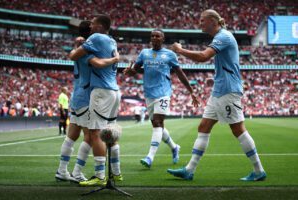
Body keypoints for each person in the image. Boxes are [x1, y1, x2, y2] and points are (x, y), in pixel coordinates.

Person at [167, 9, 266, 181]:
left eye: (202, 20)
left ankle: (258, 171)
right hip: (219, 91)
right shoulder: (220, 37)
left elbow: (203, 57)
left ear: (214, 20)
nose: (200, 23)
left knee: (238, 129)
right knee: (203, 127)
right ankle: (189, 170)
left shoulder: (223, 36)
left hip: (228, 90)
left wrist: (181, 50)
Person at [56, 20, 120, 183]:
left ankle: (62, 170)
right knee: (89, 136)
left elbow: (72, 55)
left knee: (71, 136)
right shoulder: (88, 52)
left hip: (76, 94)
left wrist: (77, 45)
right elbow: (98, 64)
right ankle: (78, 172)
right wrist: (115, 59)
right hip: (86, 96)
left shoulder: (78, 50)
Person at [124, 29, 198, 168]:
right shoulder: (144, 53)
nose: (154, 38)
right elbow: (136, 69)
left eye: (157, 36)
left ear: (163, 39)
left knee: (157, 122)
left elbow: (180, 73)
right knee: (158, 126)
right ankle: (174, 147)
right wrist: (131, 71)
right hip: (149, 93)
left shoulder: (170, 55)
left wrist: (191, 91)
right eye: (152, 36)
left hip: (163, 93)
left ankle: (150, 157)